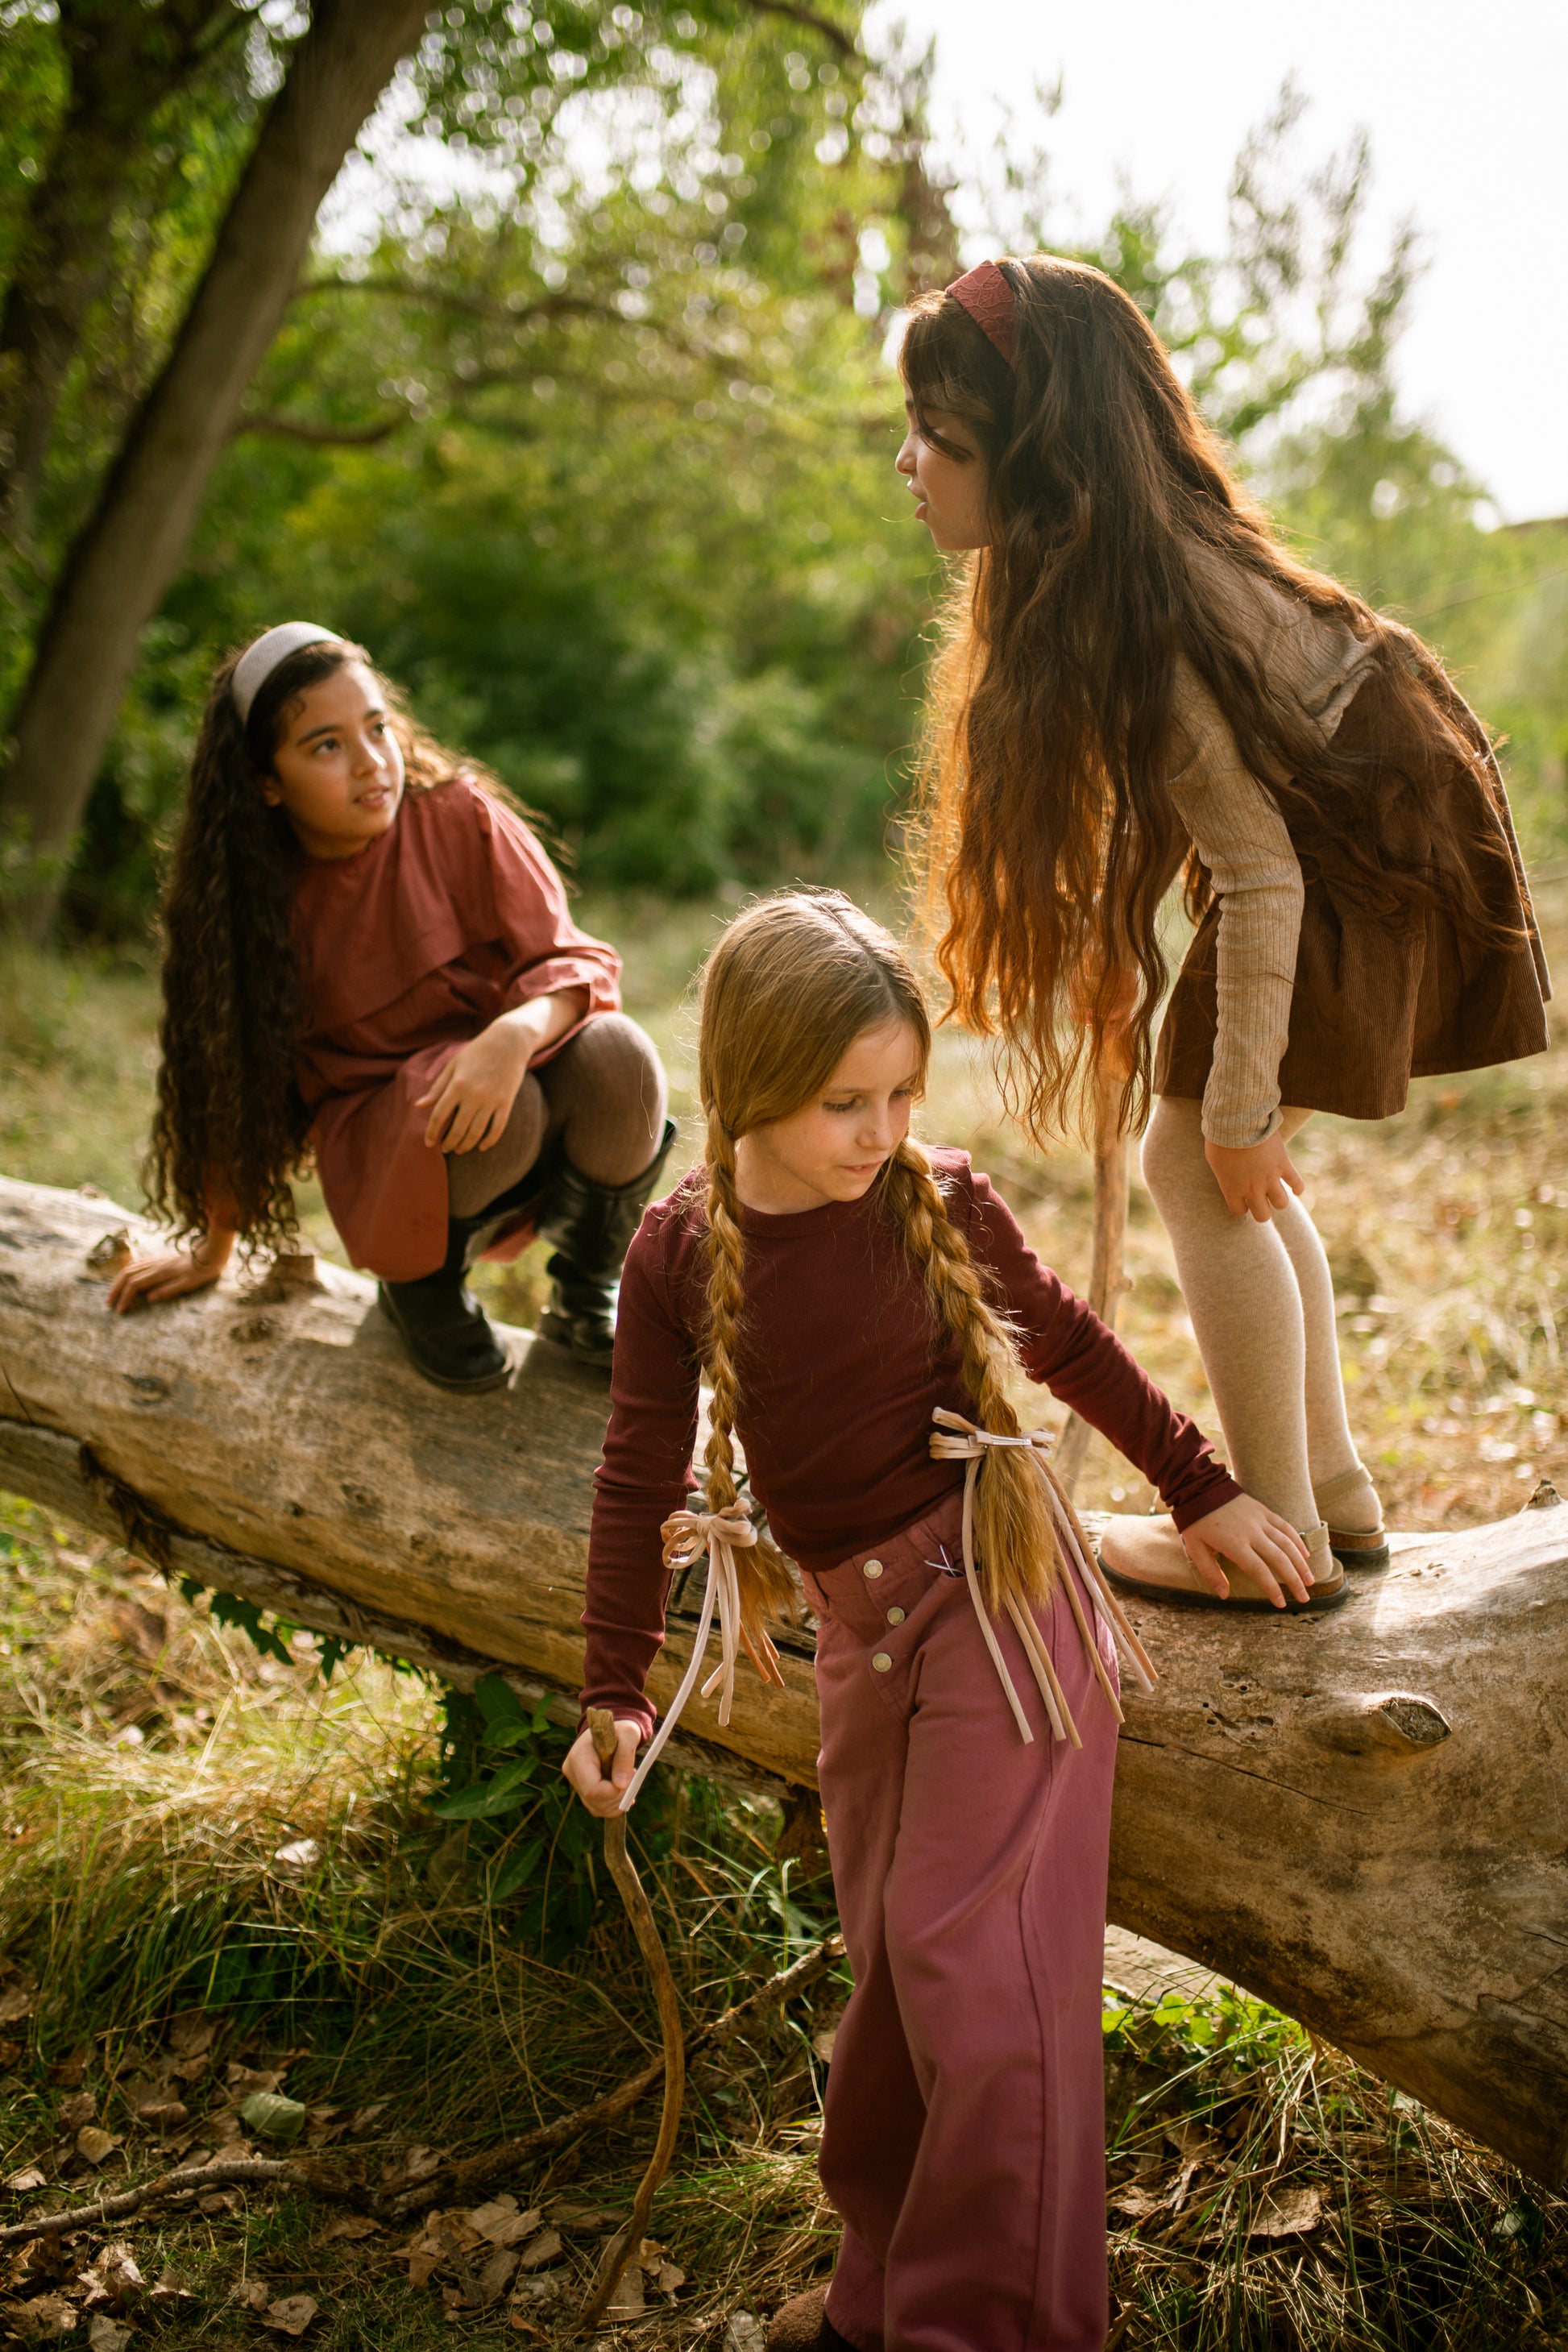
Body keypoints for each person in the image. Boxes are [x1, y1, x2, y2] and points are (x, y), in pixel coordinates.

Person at [563, 890, 1311, 2352]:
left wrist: (1204, 1488)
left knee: (983, 1978)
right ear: (745, 1086)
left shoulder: (936, 1198)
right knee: (895, 1972)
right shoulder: (675, 1254)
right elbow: (634, 1474)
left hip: (1002, 1607)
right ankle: (880, 2296)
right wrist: (617, 1686)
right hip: (861, 1635)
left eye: (904, 1091)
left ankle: (983, 2326)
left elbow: (1069, 1342)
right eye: (846, 1100)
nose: (881, 1126)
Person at [897, 255, 1549, 1605]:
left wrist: (1246, 1098)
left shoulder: (1146, 610)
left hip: (1362, 853)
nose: (910, 463)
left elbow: (1262, 874)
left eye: (942, 441)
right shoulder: (1111, 569)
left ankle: (1281, 1527)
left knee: (1206, 1157)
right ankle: (1336, 1497)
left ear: (1035, 461)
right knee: (1211, 1157)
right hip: (1372, 826)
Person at [109, 621, 673, 1383]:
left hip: (510, 1078)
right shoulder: (255, 907)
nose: (373, 762)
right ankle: (422, 1284)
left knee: (621, 1056)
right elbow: (230, 1088)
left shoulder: (459, 815)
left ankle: (586, 1290)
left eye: (377, 728)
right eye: (327, 745)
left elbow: (570, 960)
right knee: (512, 1111)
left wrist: (511, 1034)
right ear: (265, 782)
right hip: (399, 1145)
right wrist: (213, 1248)